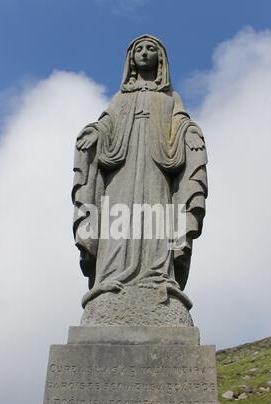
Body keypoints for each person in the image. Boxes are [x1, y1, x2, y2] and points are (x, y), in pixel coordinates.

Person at [72, 35, 207, 321]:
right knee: (117, 222)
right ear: (130, 60)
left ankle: (159, 278)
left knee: (157, 220)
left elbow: (181, 123)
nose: (144, 53)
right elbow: (105, 125)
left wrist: (190, 133)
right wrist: (95, 133)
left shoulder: (171, 98)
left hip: (157, 168)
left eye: (151, 49)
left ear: (161, 60)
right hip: (121, 171)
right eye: (139, 49)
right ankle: (110, 279)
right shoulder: (121, 98)